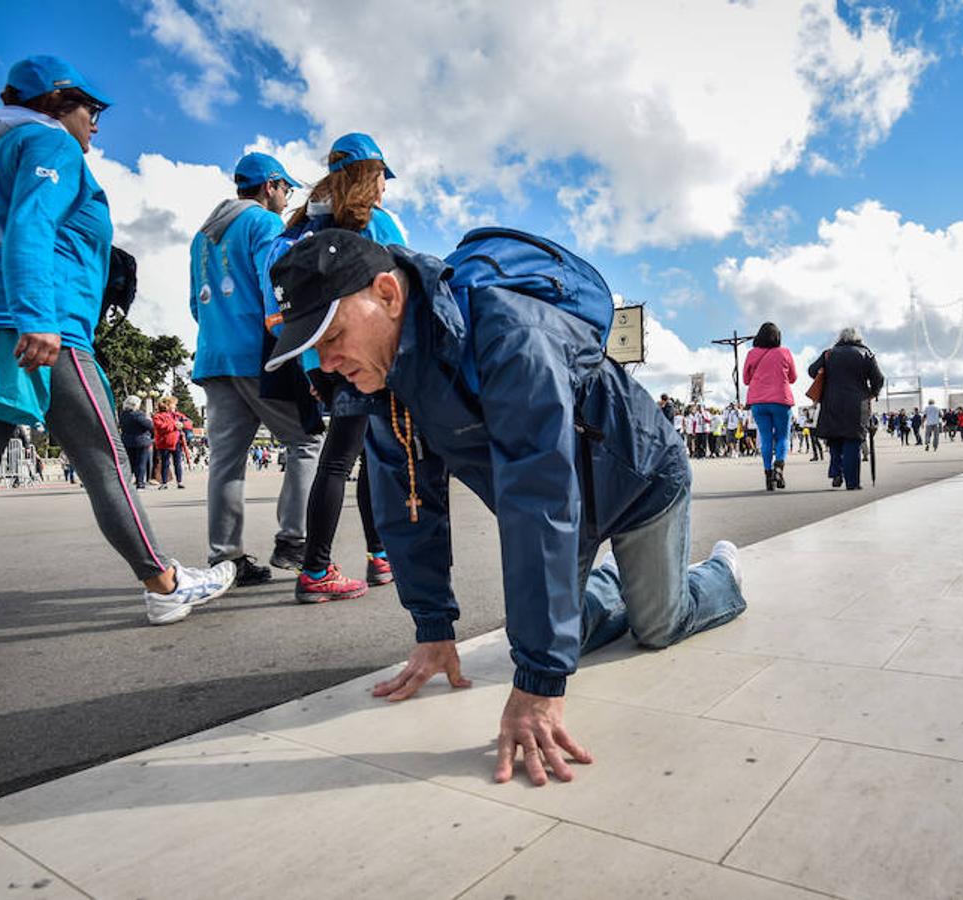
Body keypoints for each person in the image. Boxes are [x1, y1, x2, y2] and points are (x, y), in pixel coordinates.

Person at [264, 229, 747, 786]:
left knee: (658, 626)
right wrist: (433, 627)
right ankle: (617, 579)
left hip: (641, 480)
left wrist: (539, 686)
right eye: (314, 346)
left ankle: (721, 571)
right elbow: (409, 504)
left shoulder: (509, 332)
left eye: (333, 335)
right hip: (569, 513)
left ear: (388, 295)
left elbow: (537, 496)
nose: (326, 363)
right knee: (566, 635)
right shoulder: (383, 384)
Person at [0, 56, 234, 667]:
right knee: (106, 463)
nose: (97, 123)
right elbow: (31, 226)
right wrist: (38, 316)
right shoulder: (50, 143)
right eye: (92, 108)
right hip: (45, 328)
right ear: (57, 103)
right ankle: (166, 585)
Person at [262, 132, 404, 602]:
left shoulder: (299, 229)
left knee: (351, 453)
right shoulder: (375, 223)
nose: (384, 186)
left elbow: (281, 306)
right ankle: (319, 567)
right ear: (370, 174)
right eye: (382, 176)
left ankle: (377, 555)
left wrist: (310, 366)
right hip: (368, 353)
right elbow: (405, 284)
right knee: (359, 457)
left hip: (316, 358)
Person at [190, 150, 324, 586]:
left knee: (226, 462)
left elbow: (195, 304)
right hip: (257, 353)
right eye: (285, 189)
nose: (286, 199)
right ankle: (293, 539)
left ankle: (226, 559)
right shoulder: (264, 223)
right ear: (270, 185)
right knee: (305, 441)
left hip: (213, 357)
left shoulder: (202, 236)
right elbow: (277, 284)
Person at [809, 328, 884, 490]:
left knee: (835, 439)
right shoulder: (866, 354)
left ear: (840, 338)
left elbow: (811, 371)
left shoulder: (829, 354)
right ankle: (852, 482)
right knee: (852, 441)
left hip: (831, 402)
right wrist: (872, 393)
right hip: (857, 404)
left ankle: (836, 472)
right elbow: (879, 378)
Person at [742, 322, 797, 491]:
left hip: (758, 402)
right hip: (781, 400)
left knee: (765, 438)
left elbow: (745, 379)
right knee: (782, 437)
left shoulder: (752, 354)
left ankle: (768, 476)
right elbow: (793, 377)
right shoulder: (784, 352)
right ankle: (779, 468)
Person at [119, 394, 154, 489]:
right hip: (141, 441)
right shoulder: (138, 415)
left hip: (127, 441)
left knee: (130, 462)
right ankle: (140, 482)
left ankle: (126, 481)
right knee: (141, 462)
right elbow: (150, 426)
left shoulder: (123, 415)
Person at [152, 396, 184, 489]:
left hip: (176, 441)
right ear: (167, 405)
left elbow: (187, 422)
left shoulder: (175, 415)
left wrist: (182, 424)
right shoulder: (157, 416)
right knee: (165, 463)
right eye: (173, 404)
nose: (175, 406)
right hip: (164, 443)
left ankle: (179, 481)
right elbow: (160, 427)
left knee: (177, 462)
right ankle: (164, 482)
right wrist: (174, 425)